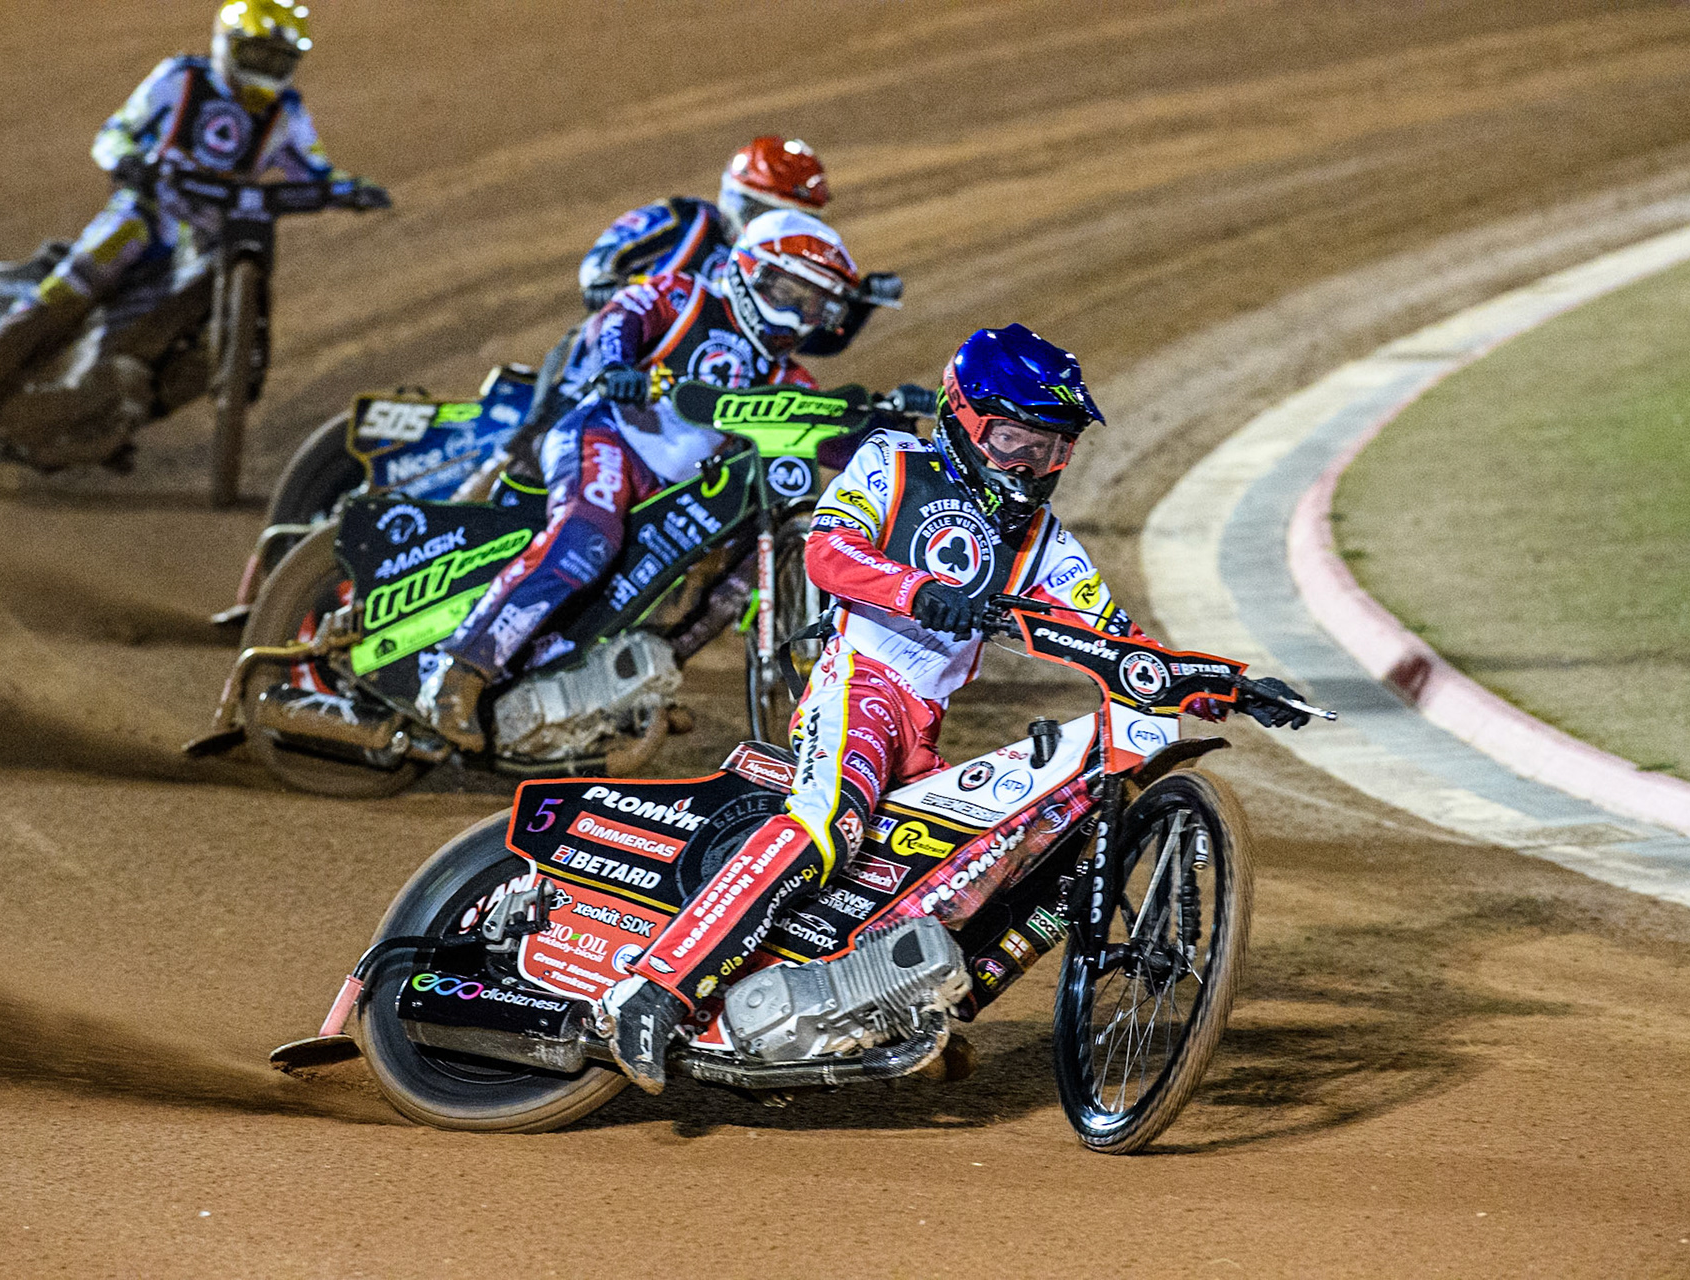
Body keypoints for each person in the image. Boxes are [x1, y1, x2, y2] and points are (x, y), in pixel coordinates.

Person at [602, 324, 1300, 1093]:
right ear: (963, 418)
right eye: (1011, 440)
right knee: (829, 823)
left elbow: (1117, 641)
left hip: (924, 720)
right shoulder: (894, 462)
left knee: (965, 880)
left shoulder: (1045, 544)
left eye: (1050, 448)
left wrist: (1226, 684)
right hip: (857, 683)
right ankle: (656, 990)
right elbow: (828, 550)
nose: (1031, 465)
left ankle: (884, 1010)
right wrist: (918, 591)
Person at [420, 210, 866, 750]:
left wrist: (890, 433)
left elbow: (832, 437)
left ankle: (639, 681)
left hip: (671, 495)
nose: (800, 316)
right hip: (606, 436)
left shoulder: (789, 378)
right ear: (754, 273)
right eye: (792, 294)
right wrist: (616, 365)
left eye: (816, 305)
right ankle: (458, 673)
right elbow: (620, 315)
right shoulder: (685, 297)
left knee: (743, 566)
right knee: (586, 539)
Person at [0, 0, 387, 451]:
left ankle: (109, 410)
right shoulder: (180, 79)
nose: (265, 68)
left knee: (204, 330)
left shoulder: (286, 114)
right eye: (256, 53)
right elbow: (115, 132)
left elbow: (319, 171)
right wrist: (127, 162)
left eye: (278, 58)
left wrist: (354, 189)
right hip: (148, 211)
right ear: (228, 44)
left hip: (207, 239)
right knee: (82, 278)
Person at [516, 137, 903, 447]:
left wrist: (858, 301)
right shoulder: (685, 219)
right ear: (738, 198)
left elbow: (808, 337)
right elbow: (609, 253)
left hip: (704, 390)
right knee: (550, 415)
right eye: (765, 211)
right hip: (629, 355)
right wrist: (603, 282)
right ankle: (528, 437)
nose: (779, 225)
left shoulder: (777, 264)